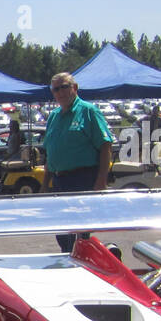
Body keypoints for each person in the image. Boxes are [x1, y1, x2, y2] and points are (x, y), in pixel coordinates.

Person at [43, 73, 113, 252]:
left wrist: (101, 182)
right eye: (55, 89)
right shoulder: (54, 116)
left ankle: (79, 263)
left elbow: (105, 147)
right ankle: (68, 260)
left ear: (74, 88)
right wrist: (45, 184)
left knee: (80, 231)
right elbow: (50, 153)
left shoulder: (88, 111)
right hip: (59, 181)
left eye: (64, 87)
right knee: (62, 230)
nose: (60, 92)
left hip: (82, 179)